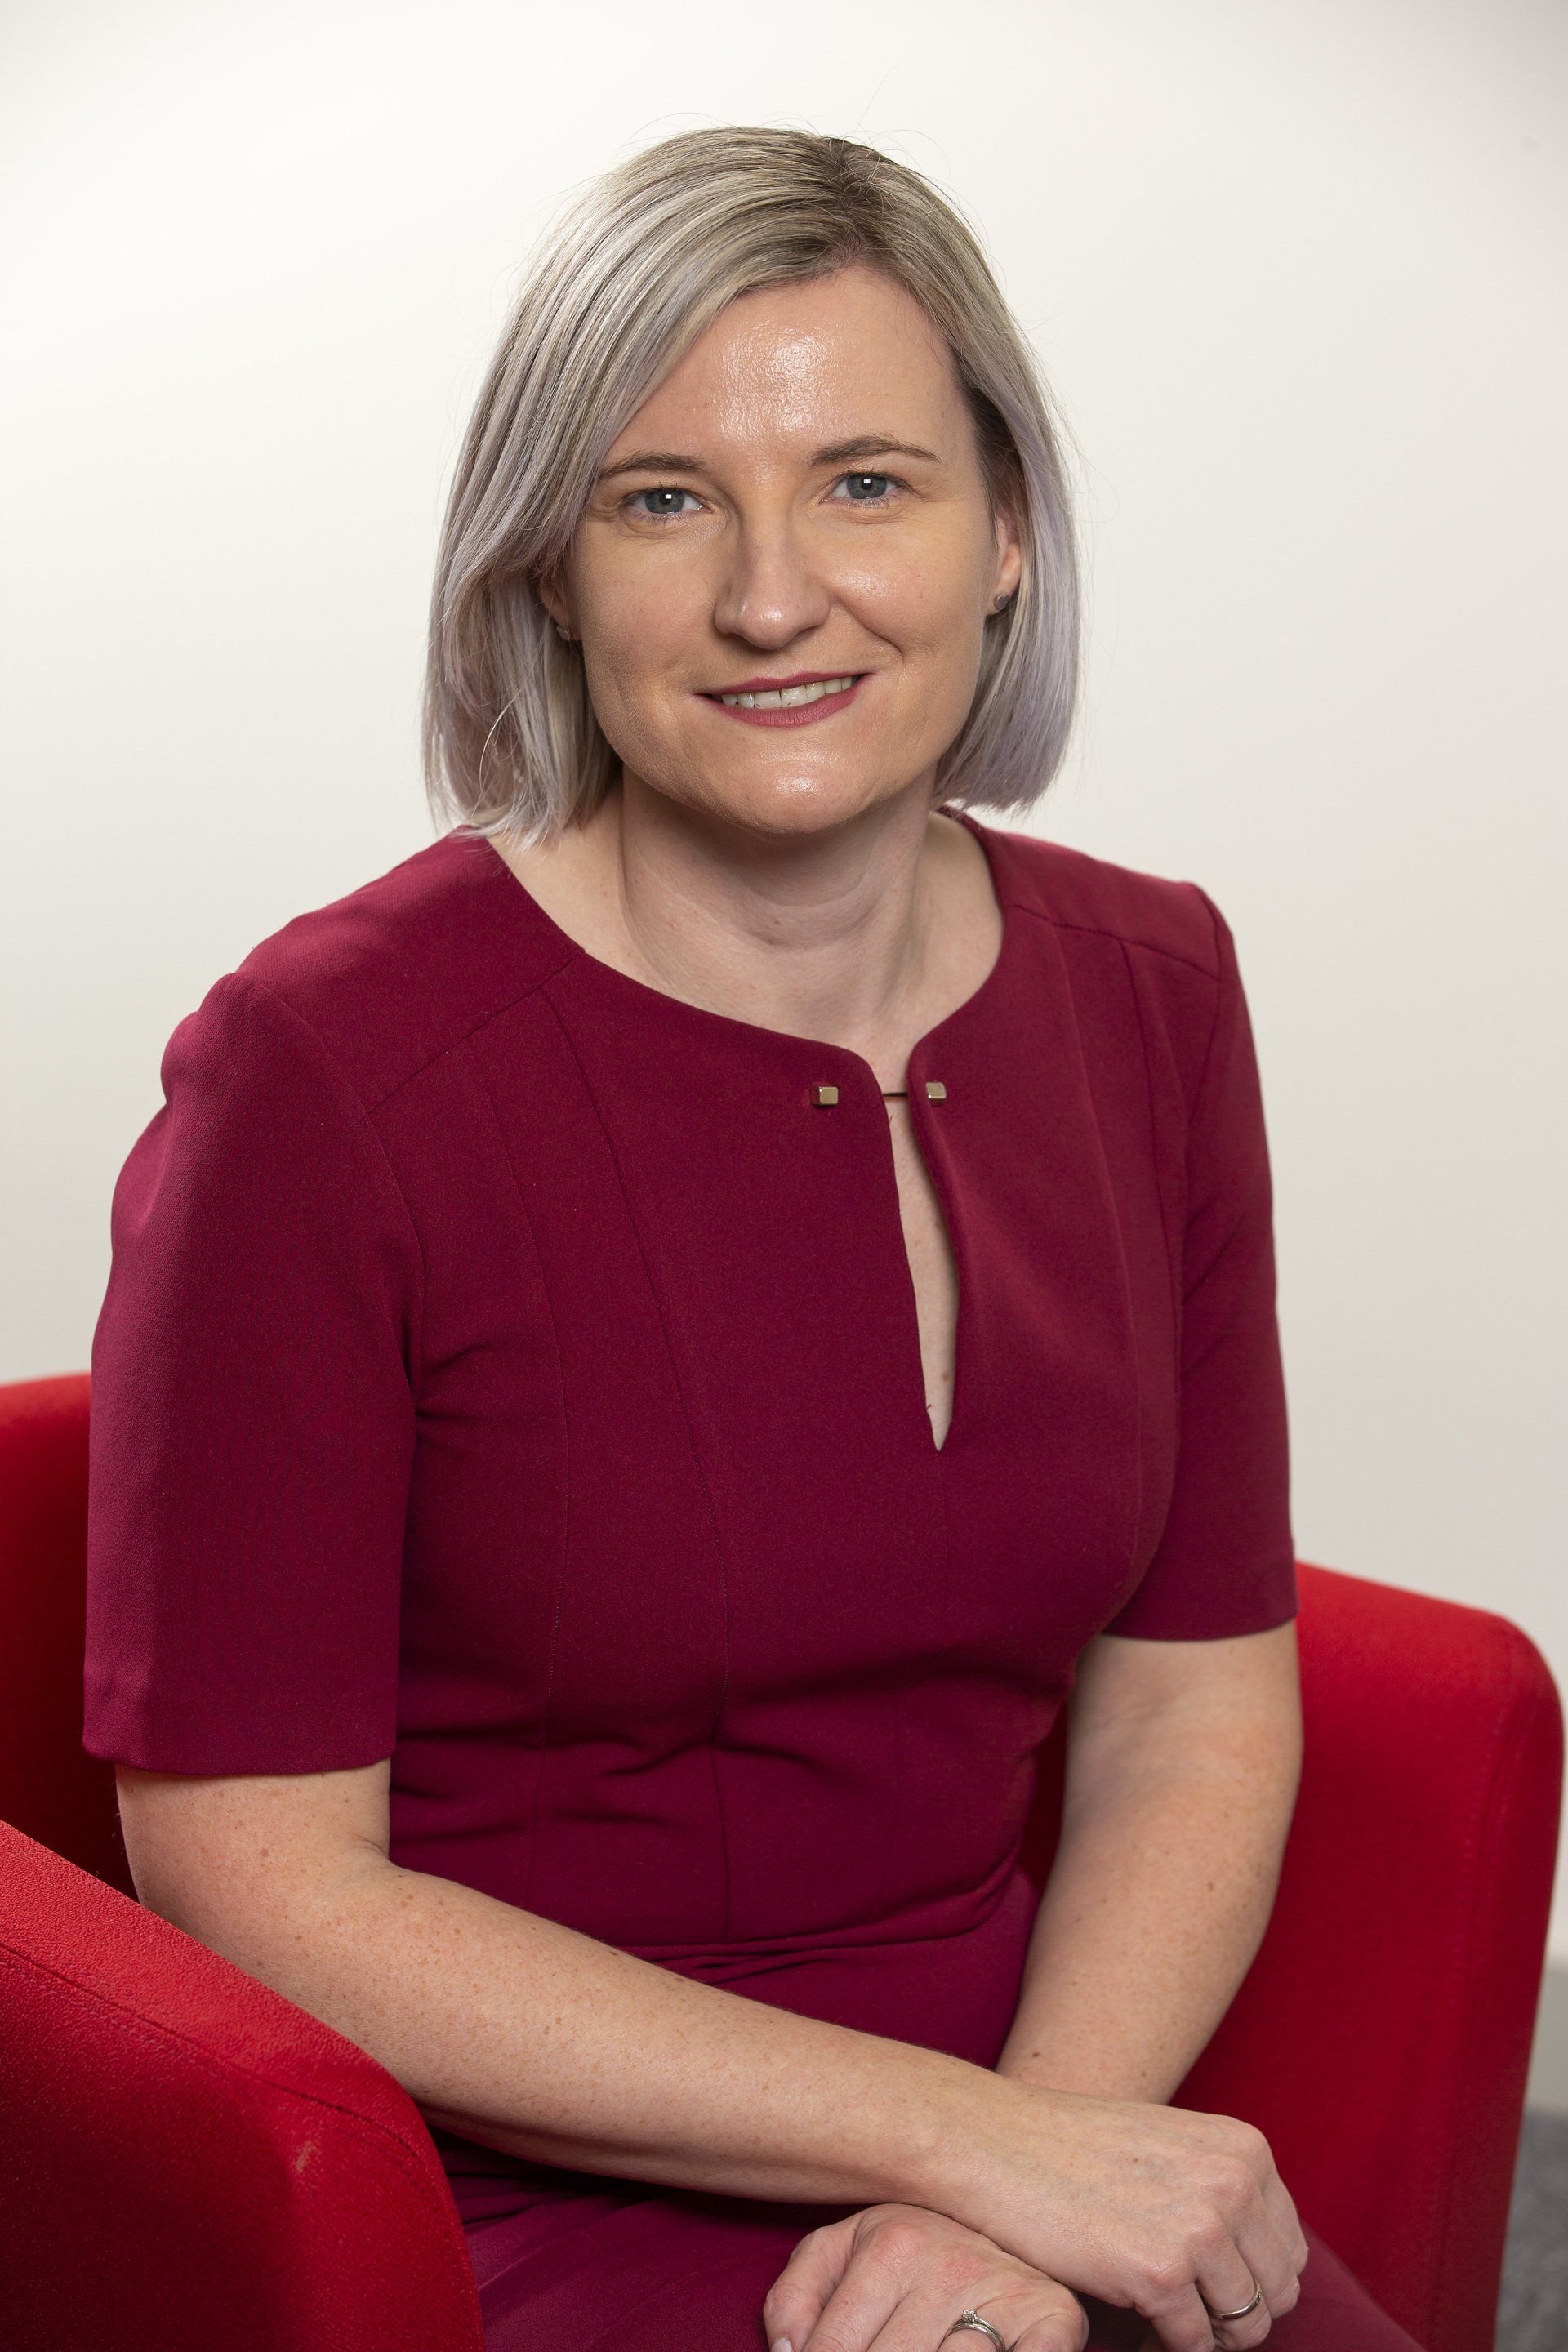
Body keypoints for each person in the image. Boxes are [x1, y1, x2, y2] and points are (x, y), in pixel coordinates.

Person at [82, 127, 1427, 2352]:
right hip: (496, 2171)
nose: (775, 598)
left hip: (1050, 2092)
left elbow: (1192, 1706)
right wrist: (971, 2151)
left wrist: (1036, 2168)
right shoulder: (317, 1073)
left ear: (1009, 533)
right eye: (663, 499)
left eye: (868, 483)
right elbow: (256, 1885)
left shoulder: (1159, 987)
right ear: (546, 569)